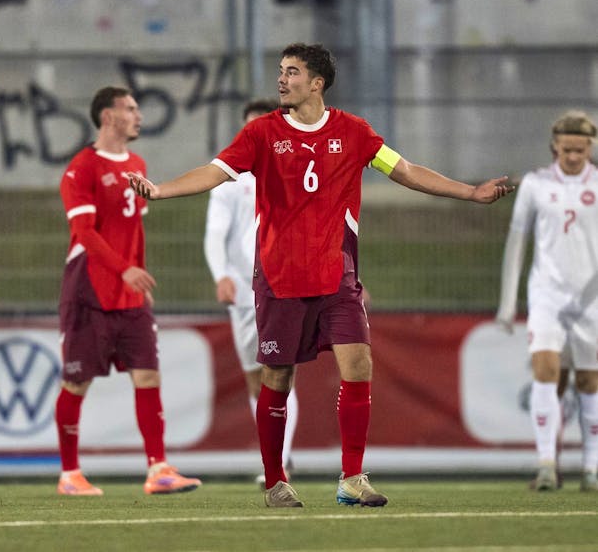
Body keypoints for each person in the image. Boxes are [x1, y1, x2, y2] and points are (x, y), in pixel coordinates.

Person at [128, 43, 513, 507]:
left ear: (316, 83)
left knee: (359, 365)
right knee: (277, 377)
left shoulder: (354, 132)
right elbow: (213, 172)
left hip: (337, 278)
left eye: (291, 72)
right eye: (280, 71)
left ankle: (352, 478)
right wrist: (161, 190)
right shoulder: (261, 133)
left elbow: (405, 170)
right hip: (280, 278)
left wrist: (470, 192)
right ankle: (275, 482)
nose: (281, 79)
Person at [55, 86, 202, 496]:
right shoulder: (81, 168)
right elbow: (83, 232)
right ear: (107, 116)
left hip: (130, 292)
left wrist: (139, 277)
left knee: (148, 373)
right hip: (90, 289)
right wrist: (124, 270)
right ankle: (69, 474)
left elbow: (133, 231)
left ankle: (159, 469)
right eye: (131, 108)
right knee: (77, 381)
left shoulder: (137, 163)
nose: (139, 115)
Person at [496, 110, 598, 492]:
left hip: (591, 299)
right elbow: (516, 242)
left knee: (589, 380)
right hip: (548, 295)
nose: (573, 156)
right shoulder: (537, 185)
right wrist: (508, 303)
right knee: (545, 369)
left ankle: (591, 468)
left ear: (590, 148)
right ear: (555, 146)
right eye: (567, 148)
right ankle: (546, 465)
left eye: (581, 149)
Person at [204, 98, 298, 487]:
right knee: (254, 380)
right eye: (249, 128)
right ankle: (273, 459)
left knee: (280, 372)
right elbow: (214, 232)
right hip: (243, 293)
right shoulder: (230, 178)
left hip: (287, 287)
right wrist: (221, 274)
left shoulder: (297, 173)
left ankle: (279, 463)